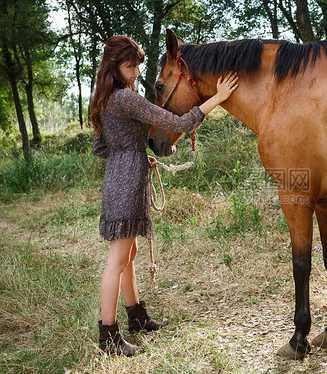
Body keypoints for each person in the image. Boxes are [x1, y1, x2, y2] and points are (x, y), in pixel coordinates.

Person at [90, 35, 238, 356]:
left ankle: (137, 317)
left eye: (139, 66)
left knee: (128, 256)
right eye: (131, 66)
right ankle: (109, 337)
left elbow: (102, 148)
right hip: (129, 183)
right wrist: (218, 97)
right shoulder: (127, 99)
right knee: (117, 260)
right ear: (116, 66)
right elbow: (180, 121)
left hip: (118, 178)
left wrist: (133, 154)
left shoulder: (105, 100)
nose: (137, 72)